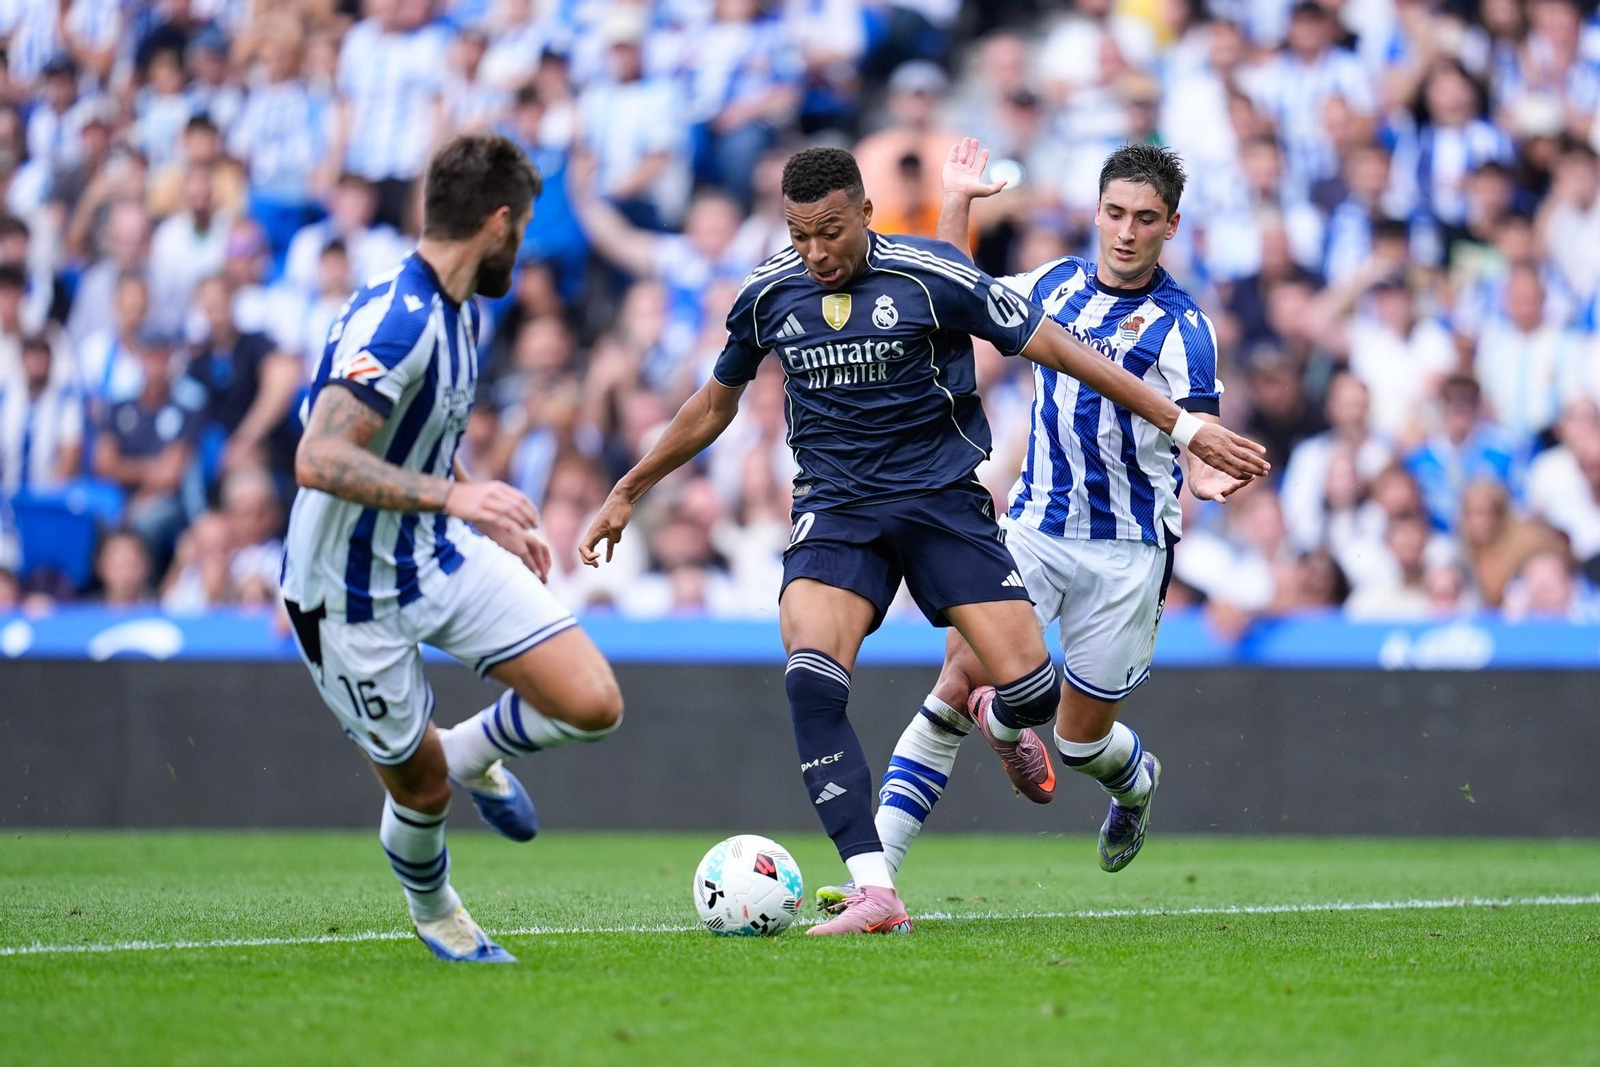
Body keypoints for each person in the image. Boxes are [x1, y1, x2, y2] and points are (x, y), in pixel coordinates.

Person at [579, 146, 1267, 936]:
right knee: (820, 680)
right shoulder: (776, 291)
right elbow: (722, 397)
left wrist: (1191, 439)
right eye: (800, 235)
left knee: (1060, 723)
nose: (815, 252)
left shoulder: (1185, 325)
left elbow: (981, 307)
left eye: (829, 231)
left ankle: (1117, 774)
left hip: (1037, 526)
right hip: (924, 515)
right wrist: (628, 487)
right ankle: (877, 885)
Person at [817, 138, 1252, 905]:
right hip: (1034, 530)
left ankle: (1135, 779)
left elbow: (1202, 435)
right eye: (1114, 212)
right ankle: (873, 881)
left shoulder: (1186, 330)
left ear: (1170, 226)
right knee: (954, 685)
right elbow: (952, 292)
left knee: (1079, 741)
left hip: (1127, 550)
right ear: (1095, 212)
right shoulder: (1052, 283)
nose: (1124, 231)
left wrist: (1214, 473)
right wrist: (956, 200)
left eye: (1144, 218)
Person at [282, 133, 624, 964]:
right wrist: (457, 495)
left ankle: (471, 753)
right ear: (498, 222)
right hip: (346, 592)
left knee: (592, 701)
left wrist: (476, 511)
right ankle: (438, 912)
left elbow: (419, 435)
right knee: (420, 786)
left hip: (434, 552)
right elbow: (318, 456)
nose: (527, 242)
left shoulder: (461, 304)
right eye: (527, 225)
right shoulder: (399, 322)